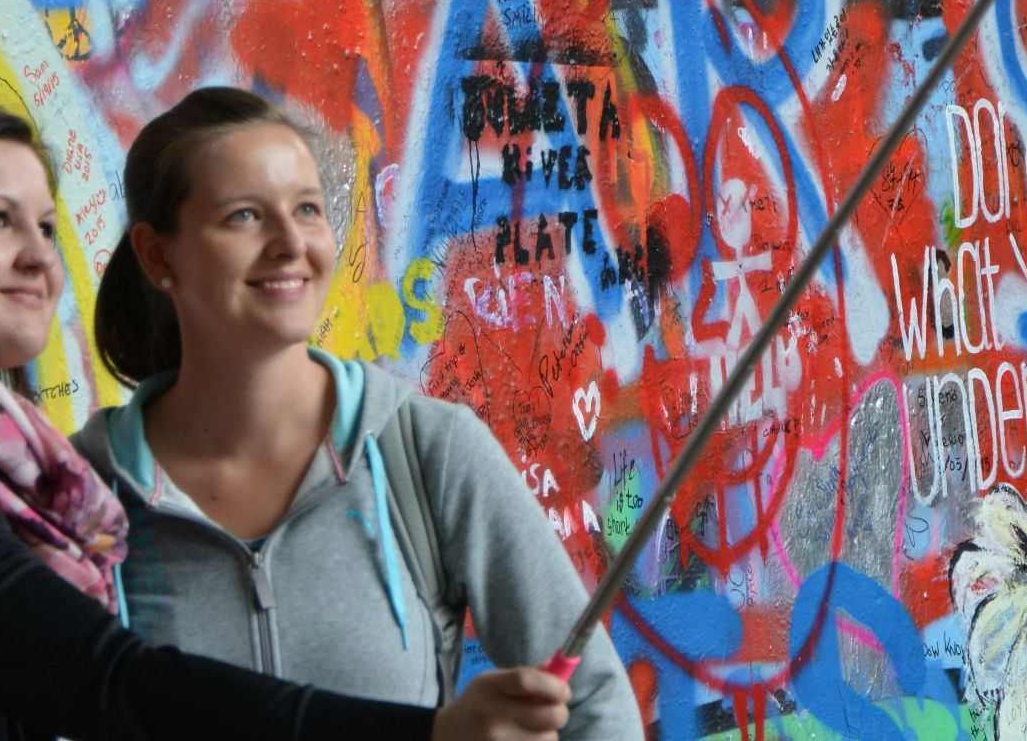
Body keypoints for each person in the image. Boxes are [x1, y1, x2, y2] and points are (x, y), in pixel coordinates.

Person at [0, 100, 571, 740]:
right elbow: (112, 684)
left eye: (47, 226)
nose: (36, 255)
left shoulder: (9, 481)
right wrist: (423, 733)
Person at [73, 88, 641, 739]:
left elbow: (594, 703)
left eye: (308, 210)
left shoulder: (425, 450)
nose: (292, 243)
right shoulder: (85, 492)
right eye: (245, 217)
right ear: (157, 256)